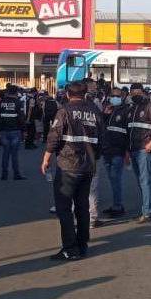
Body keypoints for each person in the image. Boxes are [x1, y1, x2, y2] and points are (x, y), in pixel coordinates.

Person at [41, 81, 105, 261]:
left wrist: (46, 158)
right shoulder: (95, 112)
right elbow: (102, 139)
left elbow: (54, 137)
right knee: (82, 207)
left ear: (68, 95)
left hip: (68, 166)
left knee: (64, 208)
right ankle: (82, 245)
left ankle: (70, 248)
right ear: (85, 94)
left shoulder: (64, 111)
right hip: (88, 167)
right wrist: (94, 158)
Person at [127, 83, 151, 224]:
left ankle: (147, 212)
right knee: (141, 182)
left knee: (144, 181)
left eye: (137, 92)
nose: (134, 95)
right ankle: (147, 210)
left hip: (145, 149)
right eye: (132, 93)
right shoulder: (132, 109)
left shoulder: (150, 106)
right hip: (134, 149)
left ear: (143, 92)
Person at [102, 87, 129, 217]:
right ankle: (115, 204)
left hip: (118, 150)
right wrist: (105, 114)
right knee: (112, 179)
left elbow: (128, 133)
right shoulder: (108, 109)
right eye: (113, 95)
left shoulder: (125, 111)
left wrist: (127, 152)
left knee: (115, 179)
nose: (115, 98)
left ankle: (118, 206)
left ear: (122, 97)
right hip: (107, 150)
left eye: (117, 96)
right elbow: (101, 126)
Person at [0, 85, 26, 180]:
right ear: (16, 92)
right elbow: (21, 118)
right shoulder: (18, 103)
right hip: (15, 130)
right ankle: (16, 174)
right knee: (14, 154)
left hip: (4, 130)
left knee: (5, 153)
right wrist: (24, 130)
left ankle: (4, 174)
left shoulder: (1, 102)